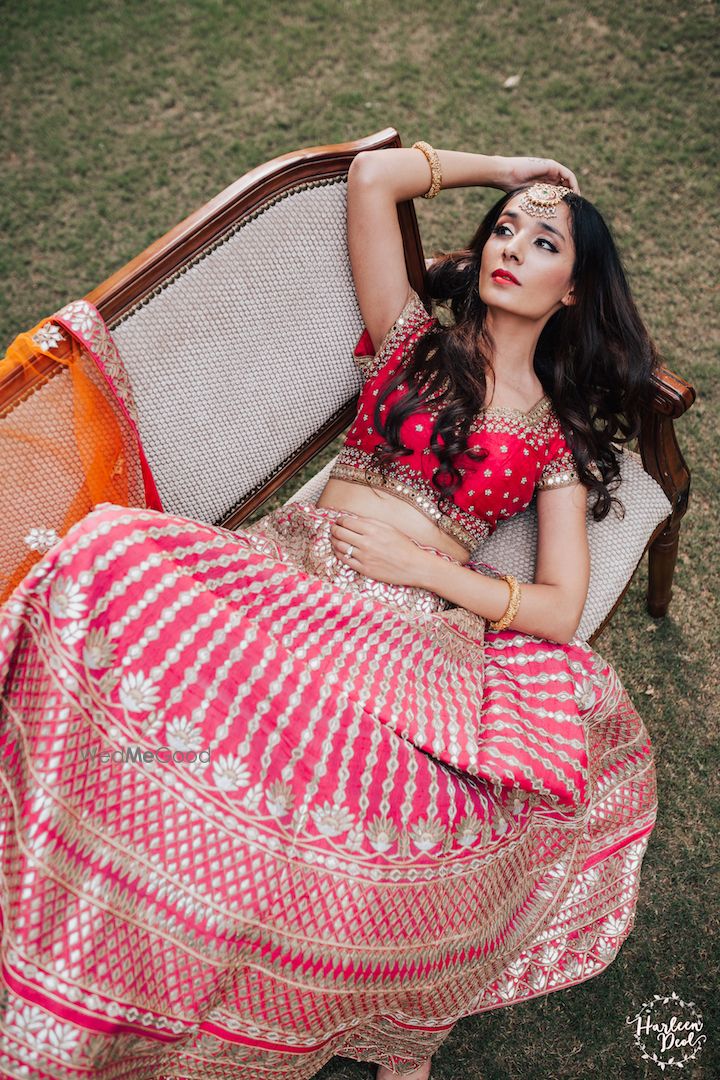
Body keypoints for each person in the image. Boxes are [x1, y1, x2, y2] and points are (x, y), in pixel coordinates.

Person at [0, 144, 659, 1080]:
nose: (511, 246)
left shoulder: (553, 437)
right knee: (108, 553)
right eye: (502, 230)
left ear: (574, 289)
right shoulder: (411, 337)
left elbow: (555, 606)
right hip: (296, 574)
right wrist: (510, 167)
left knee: (356, 788)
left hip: (412, 632)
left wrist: (425, 570)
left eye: (542, 240)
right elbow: (371, 180)